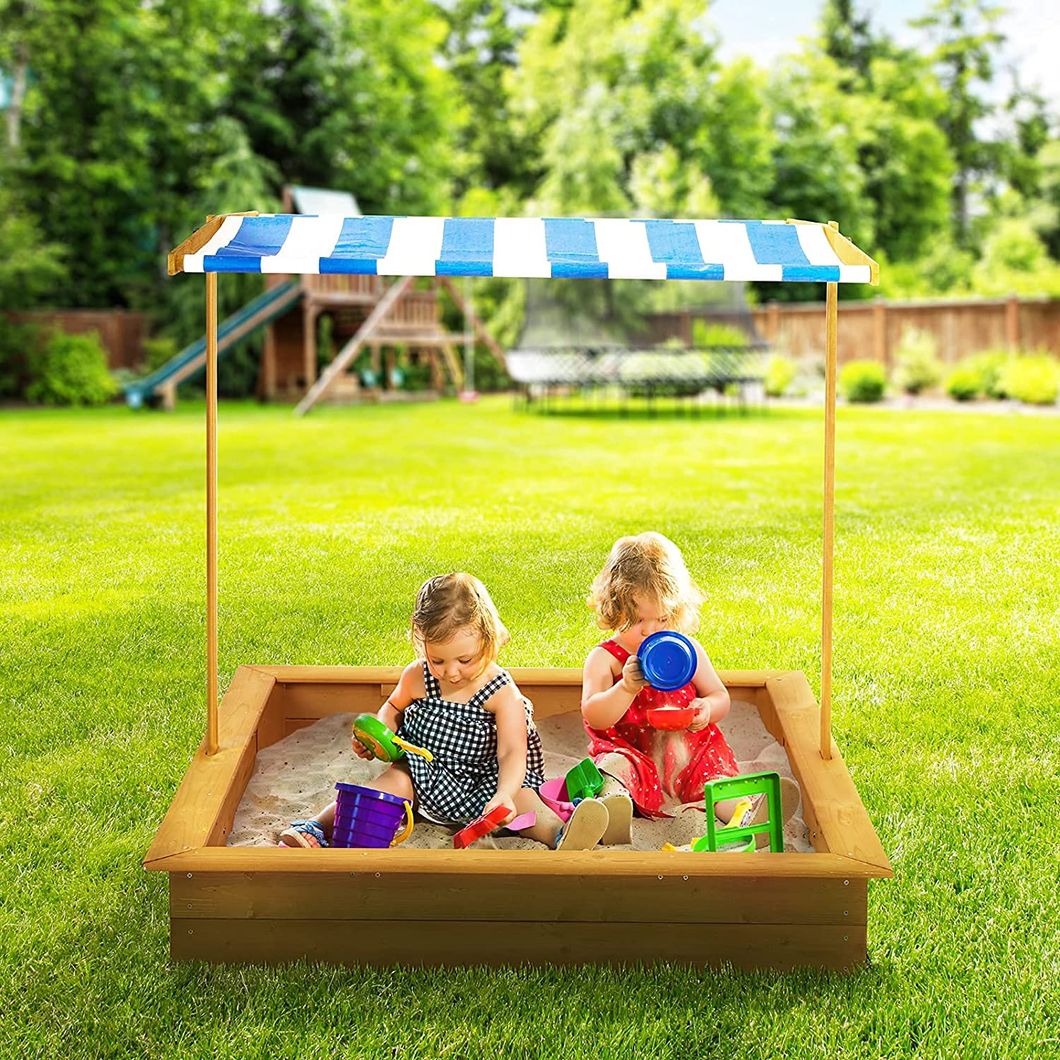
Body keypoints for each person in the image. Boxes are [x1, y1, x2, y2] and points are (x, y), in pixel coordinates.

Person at [280, 572, 608, 850]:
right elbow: (392, 707)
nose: (450, 672)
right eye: (438, 660)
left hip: (485, 782)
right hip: (423, 774)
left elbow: (511, 753)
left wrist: (504, 794)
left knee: (524, 801)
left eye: (465, 660)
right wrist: (379, 735)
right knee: (384, 787)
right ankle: (316, 826)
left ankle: (560, 834)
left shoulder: (501, 692)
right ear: (422, 643)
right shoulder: (417, 676)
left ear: (488, 639)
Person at [580, 532, 798, 838]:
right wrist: (626, 688)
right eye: (638, 620)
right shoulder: (606, 659)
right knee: (613, 768)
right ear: (616, 611)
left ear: (677, 611)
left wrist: (706, 709)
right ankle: (612, 814)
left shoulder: (688, 651)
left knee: (715, 778)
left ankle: (746, 816)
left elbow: (719, 695)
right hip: (634, 752)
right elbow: (594, 716)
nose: (651, 631)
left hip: (689, 752)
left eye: (662, 619)